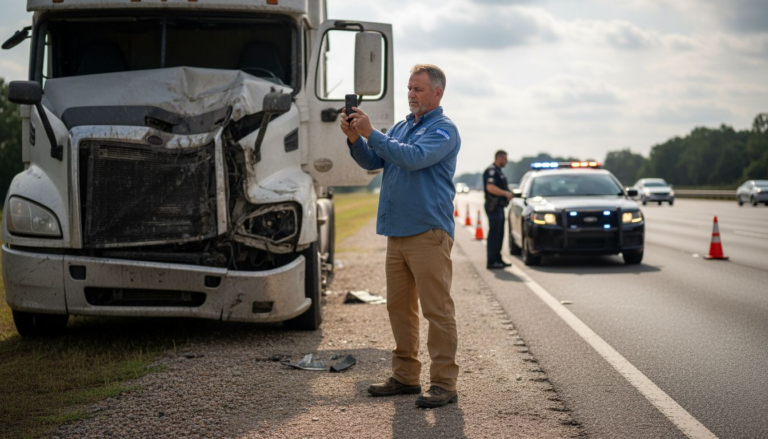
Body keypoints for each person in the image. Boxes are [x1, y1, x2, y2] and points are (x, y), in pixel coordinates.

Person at [340, 64, 461, 408]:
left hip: (427, 231)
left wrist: (372, 133)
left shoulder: (443, 129)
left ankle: (443, 384)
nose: (411, 94)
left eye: (418, 89)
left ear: (438, 93)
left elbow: (412, 158)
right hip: (397, 231)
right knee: (399, 308)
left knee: (436, 310)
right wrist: (354, 137)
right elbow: (373, 161)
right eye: (409, 88)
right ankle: (406, 377)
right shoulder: (402, 126)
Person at [484, 150, 513, 269]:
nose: (506, 161)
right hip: (493, 206)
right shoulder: (491, 171)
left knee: (500, 234)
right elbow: (490, 187)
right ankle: (492, 261)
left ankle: (498, 258)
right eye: (505, 159)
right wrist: (505, 193)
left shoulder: (498, 171)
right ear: (499, 158)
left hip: (499, 206)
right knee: (494, 234)